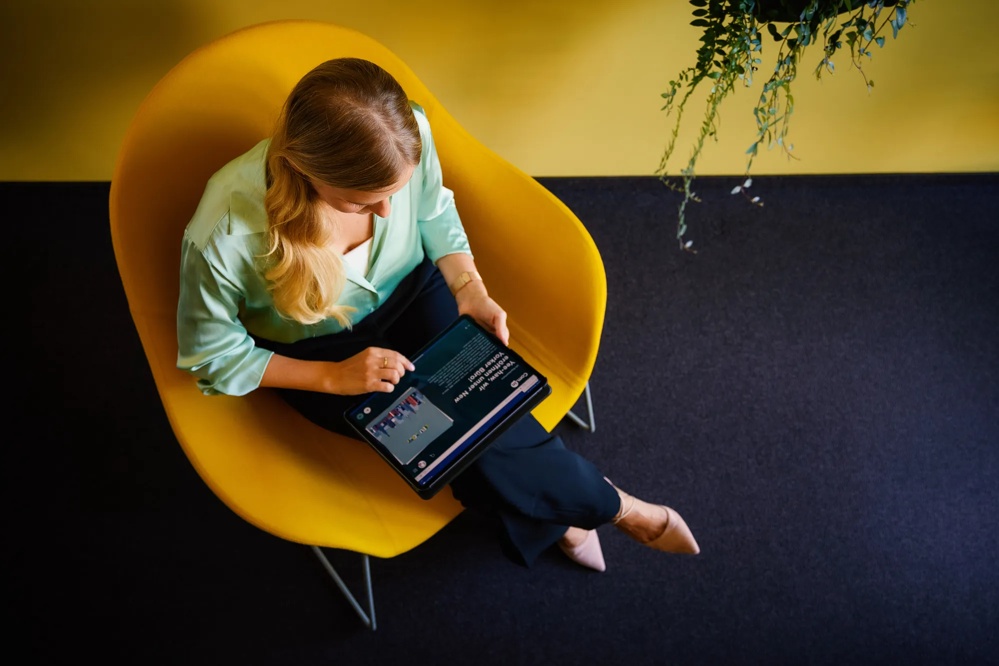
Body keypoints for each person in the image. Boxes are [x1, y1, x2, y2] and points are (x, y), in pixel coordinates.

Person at [176, 57, 700, 572]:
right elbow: (214, 357)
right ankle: (619, 509)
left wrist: (468, 287)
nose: (385, 213)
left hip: (414, 290)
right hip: (321, 351)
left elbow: (432, 210)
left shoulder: (413, 132)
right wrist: (332, 377)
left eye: (392, 194)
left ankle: (575, 517)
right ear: (307, 172)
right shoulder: (223, 233)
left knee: (473, 425)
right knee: (440, 435)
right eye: (361, 204)